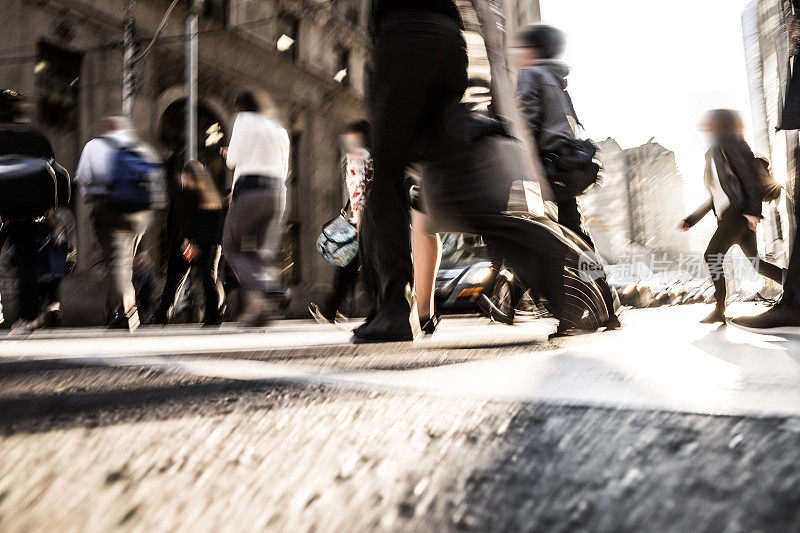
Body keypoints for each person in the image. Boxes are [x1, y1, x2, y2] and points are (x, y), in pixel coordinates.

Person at [356, 1, 598, 341]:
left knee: (385, 176)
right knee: (466, 195)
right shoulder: (547, 77)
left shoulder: (536, 76)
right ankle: (560, 278)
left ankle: (394, 310)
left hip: (403, 34)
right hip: (449, 43)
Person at [496, 24, 619, 329]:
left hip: (545, 168)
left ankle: (567, 310)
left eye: (520, 47)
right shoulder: (555, 79)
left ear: (534, 50)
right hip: (564, 167)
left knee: (541, 236)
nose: (515, 53)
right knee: (577, 239)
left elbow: (524, 122)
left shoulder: (532, 74)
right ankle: (608, 304)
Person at [680, 109, 783, 324]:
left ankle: (719, 310)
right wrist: (691, 219)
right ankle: (794, 284)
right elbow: (714, 197)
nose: (705, 123)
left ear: (721, 124)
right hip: (734, 217)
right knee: (757, 264)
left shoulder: (733, 144)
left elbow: (750, 178)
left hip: (738, 215)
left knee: (711, 255)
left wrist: (753, 213)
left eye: (711, 120)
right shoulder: (712, 152)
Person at [75, 116, 159, 331]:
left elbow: (83, 179)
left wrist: (91, 196)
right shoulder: (140, 147)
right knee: (124, 261)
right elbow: (155, 184)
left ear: (105, 128)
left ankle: (128, 312)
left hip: (109, 210)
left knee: (117, 263)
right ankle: (112, 311)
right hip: (139, 214)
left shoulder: (94, 145)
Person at [223, 91, 290, 326]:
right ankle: (257, 313)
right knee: (260, 253)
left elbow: (233, 159)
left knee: (232, 245)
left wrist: (228, 154)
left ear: (241, 106)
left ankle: (266, 287)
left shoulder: (243, 120)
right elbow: (284, 168)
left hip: (251, 189)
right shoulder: (278, 129)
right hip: (277, 192)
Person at [0, 89, 57, 333]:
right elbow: (51, 176)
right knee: (27, 265)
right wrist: (50, 211)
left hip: (1, 209)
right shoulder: (38, 139)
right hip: (31, 211)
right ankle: (27, 318)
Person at [153, 161, 225, 326]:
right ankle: (213, 316)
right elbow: (217, 226)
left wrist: (183, 242)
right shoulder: (213, 196)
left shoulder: (182, 193)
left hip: (184, 244)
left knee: (173, 282)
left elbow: (176, 221)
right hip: (209, 246)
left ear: (185, 175)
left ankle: (163, 316)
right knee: (209, 279)